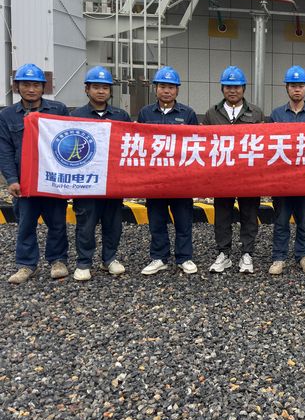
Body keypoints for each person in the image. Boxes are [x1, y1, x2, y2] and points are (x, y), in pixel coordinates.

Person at [1, 64, 70, 284]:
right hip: (25, 181)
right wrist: (12, 179)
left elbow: (69, 143)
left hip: (52, 180)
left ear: (43, 87)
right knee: (25, 224)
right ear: (17, 87)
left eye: (36, 85)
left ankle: (58, 261)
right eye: (26, 84)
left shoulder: (58, 110)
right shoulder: (7, 115)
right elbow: (4, 150)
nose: (31, 89)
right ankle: (25, 265)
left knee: (57, 223)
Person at [202, 66, 266, 275]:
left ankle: (247, 253)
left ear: (243, 88)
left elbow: (264, 142)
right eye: (228, 87)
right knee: (222, 214)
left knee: (249, 213)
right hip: (222, 175)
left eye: (236, 87)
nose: (232, 91)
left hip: (249, 175)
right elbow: (203, 143)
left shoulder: (256, 112)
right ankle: (224, 253)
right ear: (222, 89)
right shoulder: (212, 113)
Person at [137, 66, 199, 275]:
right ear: (155, 88)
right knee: (156, 220)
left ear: (177, 90)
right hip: (154, 179)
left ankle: (184, 257)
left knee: (183, 220)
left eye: (171, 87)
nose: (166, 91)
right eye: (162, 86)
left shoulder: (188, 114)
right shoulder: (145, 113)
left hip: (181, 179)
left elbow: (196, 144)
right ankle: (159, 257)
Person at [71, 66, 132, 281]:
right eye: (96, 87)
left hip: (113, 181)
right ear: (86, 89)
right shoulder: (75, 116)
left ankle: (110, 258)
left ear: (110, 91)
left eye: (105, 88)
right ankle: (84, 262)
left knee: (113, 223)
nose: (100, 91)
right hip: (86, 181)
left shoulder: (121, 116)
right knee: (85, 223)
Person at [269, 65, 305, 275]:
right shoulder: (276, 114)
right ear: (287, 88)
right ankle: (278, 257)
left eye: (300, 86)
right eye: (293, 86)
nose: (297, 89)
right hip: (282, 179)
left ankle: (303, 255)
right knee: (281, 220)